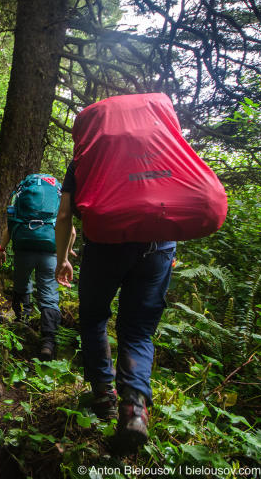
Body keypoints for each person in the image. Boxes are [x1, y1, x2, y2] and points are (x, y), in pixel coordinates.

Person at [55, 163, 176, 450]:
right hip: (159, 247)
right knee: (138, 331)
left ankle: (103, 397)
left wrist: (62, 259)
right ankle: (134, 408)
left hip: (105, 244)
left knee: (94, 316)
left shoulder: (89, 154)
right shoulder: (161, 150)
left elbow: (63, 215)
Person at [0, 175, 74, 361]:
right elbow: (70, 230)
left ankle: (22, 325)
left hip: (23, 247)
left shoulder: (23, 191)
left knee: (22, 286)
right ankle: (48, 342)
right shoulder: (57, 192)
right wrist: (67, 251)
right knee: (49, 295)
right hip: (50, 250)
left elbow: (10, 226)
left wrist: (2, 249)